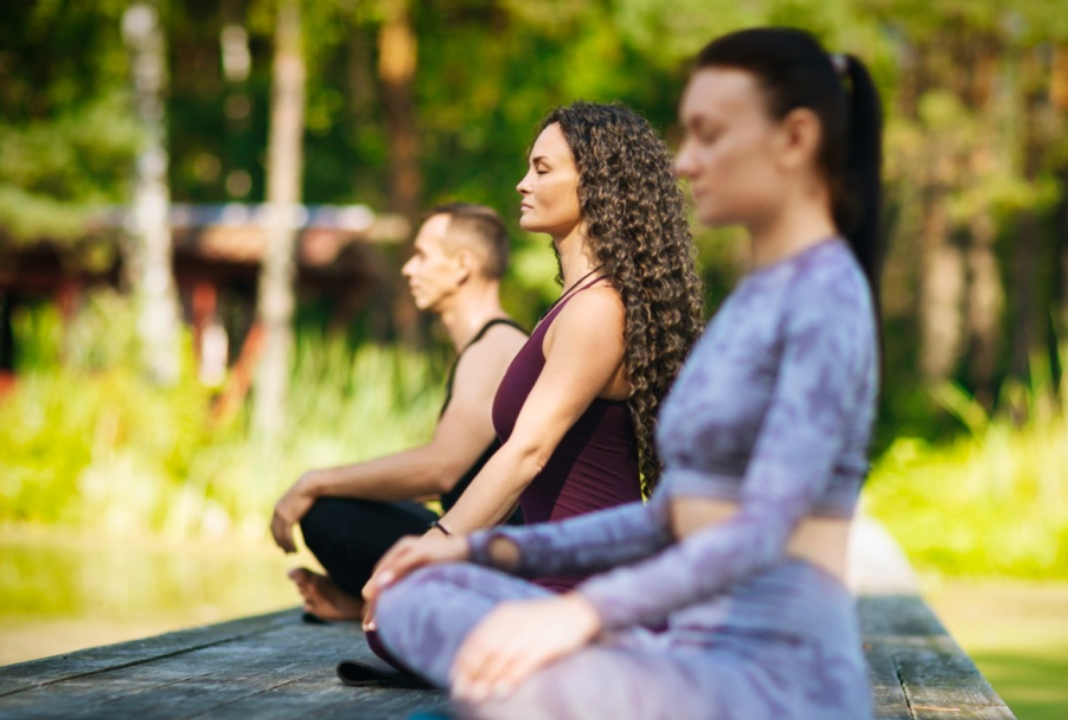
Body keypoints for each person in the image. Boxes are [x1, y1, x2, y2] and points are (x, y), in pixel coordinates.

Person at [364, 26, 886, 720]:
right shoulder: (757, 300)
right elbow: (667, 519)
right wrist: (481, 551)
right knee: (415, 596)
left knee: (475, 669)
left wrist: (581, 613)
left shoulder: (826, 298)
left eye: (709, 136)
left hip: (772, 684)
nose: (685, 162)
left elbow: (762, 530)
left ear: (794, 139)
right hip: (684, 658)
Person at [359, 100, 704, 606]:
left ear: (596, 184)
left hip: (590, 586)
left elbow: (527, 454)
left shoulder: (597, 310)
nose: (523, 184)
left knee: (402, 609)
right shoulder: (576, 304)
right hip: (550, 571)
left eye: (542, 170)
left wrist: (432, 547)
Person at [271, 202, 528, 622]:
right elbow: (457, 479)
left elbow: (441, 470)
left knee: (326, 513)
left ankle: (374, 605)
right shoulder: (486, 347)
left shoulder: (496, 346)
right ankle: (370, 603)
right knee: (345, 503)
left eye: (422, 255)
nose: (409, 269)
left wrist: (314, 482)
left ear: (462, 266)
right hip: (475, 546)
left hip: (504, 561)